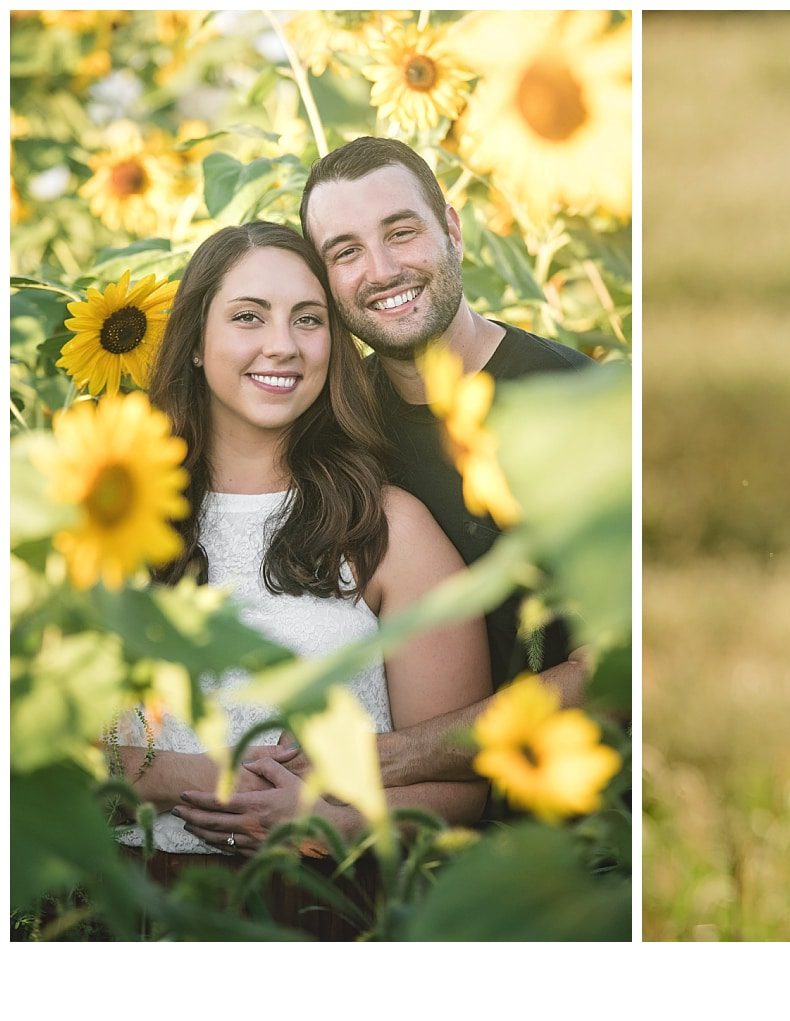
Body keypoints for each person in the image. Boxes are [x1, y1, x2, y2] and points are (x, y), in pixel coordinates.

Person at [113, 221, 491, 936]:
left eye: (309, 319)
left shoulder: (389, 528)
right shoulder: (114, 517)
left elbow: (463, 783)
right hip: (130, 908)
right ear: (195, 341)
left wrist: (328, 823)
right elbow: (47, 749)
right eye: (248, 316)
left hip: (327, 908)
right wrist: (208, 779)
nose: (282, 344)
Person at [249, 136, 596, 791]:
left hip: (574, 833)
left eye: (401, 232)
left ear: (452, 230)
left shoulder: (580, 407)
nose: (380, 271)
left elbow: (616, 673)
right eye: (345, 251)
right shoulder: (334, 425)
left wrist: (391, 758)